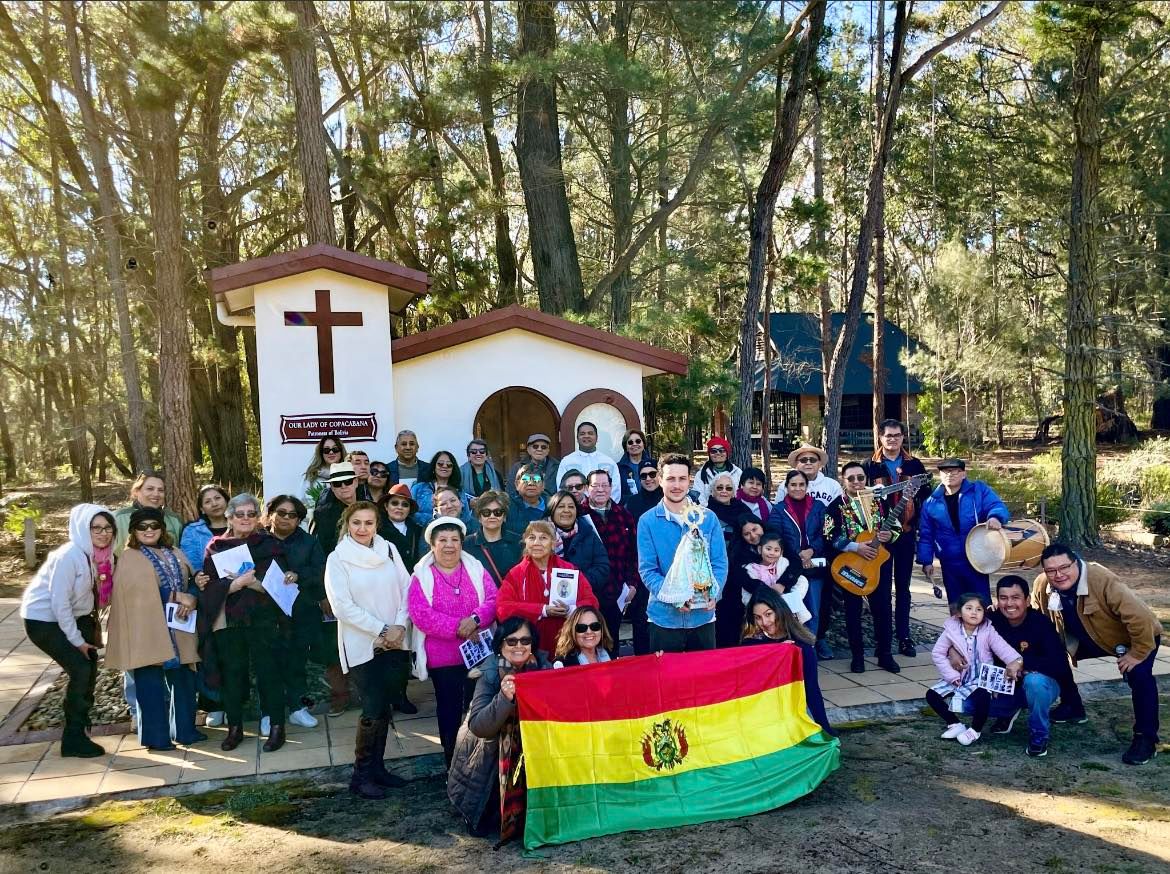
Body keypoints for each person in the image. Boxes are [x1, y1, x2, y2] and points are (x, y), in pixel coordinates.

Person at [1033, 543, 1162, 765]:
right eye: (1051, 570)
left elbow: (1142, 619)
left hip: (1135, 637)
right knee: (1052, 651)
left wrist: (1137, 653)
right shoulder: (1042, 584)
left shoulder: (1101, 579)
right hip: (1089, 640)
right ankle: (1072, 705)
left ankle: (1146, 739)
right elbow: (1037, 619)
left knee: (1140, 676)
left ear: (1076, 562)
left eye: (1064, 567)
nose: (1058, 575)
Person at [325, 501, 412, 798]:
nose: (363, 529)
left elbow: (406, 588)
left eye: (369, 523)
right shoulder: (338, 558)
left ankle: (378, 769)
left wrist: (399, 626)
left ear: (377, 524)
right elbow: (342, 607)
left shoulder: (388, 549)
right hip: (364, 644)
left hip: (396, 640)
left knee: (386, 705)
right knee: (372, 707)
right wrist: (382, 630)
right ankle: (360, 776)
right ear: (347, 524)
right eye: (357, 523)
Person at [106, 507, 204, 751]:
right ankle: (156, 737)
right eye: (142, 526)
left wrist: (191, 597)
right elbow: (136, 590)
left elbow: (194, 579)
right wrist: (175, 596)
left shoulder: (175, 551)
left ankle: (185, 731)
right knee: (149, 682)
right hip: (146, 625)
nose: (149, 530)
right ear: (133, 530)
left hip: (179, 624)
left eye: (154, 526)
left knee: (184, 679)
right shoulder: (130, 556)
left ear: (162, 528)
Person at [20, 504, 114, 757]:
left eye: (108, 528)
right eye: (96, 528)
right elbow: (58, 603)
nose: (104, 533)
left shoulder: (100, 556)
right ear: (83, 529)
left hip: (77, 617)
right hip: (43, 621)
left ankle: (80, 730)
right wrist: (77, 640)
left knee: (90, 668)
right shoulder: (68, 556)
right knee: (80, 667)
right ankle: (72, 738)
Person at [448, 616, 550, 840]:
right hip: (487, 759)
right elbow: (479, 727)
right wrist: (503, 698)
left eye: (525, 640)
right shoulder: (490, 672)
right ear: (500, 645)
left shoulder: (544, 667)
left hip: (529, 750)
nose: (519, 646)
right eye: (511, 641)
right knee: (486, 825)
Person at [407, 516, 498, 767]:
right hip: (442, 658)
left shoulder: (476, 568)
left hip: (478, 653)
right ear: (432, 545)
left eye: (455, 540)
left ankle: (479, 762)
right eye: (443, 540)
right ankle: (453, 762)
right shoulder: (421, 576)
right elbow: (421, 614)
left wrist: (476, 619)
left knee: (477, 708)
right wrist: (460, 627)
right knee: (449, 711)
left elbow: (493, 599)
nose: (449, 545)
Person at [200, 493, 288, 753]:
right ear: (229, 516)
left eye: (251, 514)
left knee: (269, 673)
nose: (246, 519)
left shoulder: (269, 544)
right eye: (240, 514)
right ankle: (235, 728)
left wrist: (254, 583)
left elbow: (281, 583)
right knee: (233, 675)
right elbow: (209, 585)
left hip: (264, 619)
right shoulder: (216, 546)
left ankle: (276, 727)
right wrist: (235, 584)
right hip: (230, 621)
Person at [637, 453, 729, 653]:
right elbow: (648, 570)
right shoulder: (647, 521)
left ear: (690, 481)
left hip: (703, 617)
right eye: (670, 478)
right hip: (664, 620)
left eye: (682, 478)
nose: (676, 485)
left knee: (704, 680)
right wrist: (674, 596)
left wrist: (714, 591)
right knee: (668, 682)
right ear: (660, 480)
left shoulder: (708, 518)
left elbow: (719, 563)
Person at [979, 575, 1078, 758]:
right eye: (1003, 598)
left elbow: (1059, 664)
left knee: (1035, 683)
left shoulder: (1040, 623)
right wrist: (953, 652)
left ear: (1026, 600)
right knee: (967, 703)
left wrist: (1023, 664)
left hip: (1041, 684)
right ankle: (1008, 711)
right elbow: (959, 626)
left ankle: (1039, 735)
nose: (1009, 604)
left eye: (1015, 598)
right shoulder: (991, 619)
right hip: (1005, 684)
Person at [825, 462, 900, 675]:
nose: (857, 482)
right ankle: (857, 656)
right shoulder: (835, 506)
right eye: (851, 478)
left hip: (878, 563)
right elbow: (829, 535)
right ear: (843, 480)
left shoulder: (879, 502)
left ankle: (885, 653)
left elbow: (895, 527)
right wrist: (856, 547)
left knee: (883, 608)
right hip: (851, 564)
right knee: (852, 611)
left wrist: (889, 535)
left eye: (860, 478)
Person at [863, 418, 928, 657]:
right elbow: (859, 497)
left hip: (906, 534)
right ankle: (884, 639)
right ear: (880, 437)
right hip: (879, 537)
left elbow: (925, 497)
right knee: (880, 589)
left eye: (897, 435)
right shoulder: (869, 465)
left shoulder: (915, 465)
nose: (893, 439)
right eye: (888, 435)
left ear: (903, 437)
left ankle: (904, 636)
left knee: (903, 587)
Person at [926, 593, 1023, 747]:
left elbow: (1003, 648)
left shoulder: (988, 631)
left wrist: (1016, 661)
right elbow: (938, 653)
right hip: (958, 676)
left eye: (979, 609)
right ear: (959, 612)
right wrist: (951, 675)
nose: (974, 612)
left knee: (983, 696)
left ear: (984, 614)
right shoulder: (951, 630)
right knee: (932, 695)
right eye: (969, 608)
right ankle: (955, 724)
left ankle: (975, 730)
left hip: (980, 677)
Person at [265, 495, 326, 729]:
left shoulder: (309, 542)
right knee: (268, 664)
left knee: (296, 662)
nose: (286, 518)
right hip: (266, 614)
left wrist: (299, 575)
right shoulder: (258, 540)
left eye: (293, 515)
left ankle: (297, 709)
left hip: (300, 612)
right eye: (281, 513)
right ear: (270, 513)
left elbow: (320, 570)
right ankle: (269, 713)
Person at [740, 587, 834, 736]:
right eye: (757, 617)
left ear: (780, 610)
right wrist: (776, 651)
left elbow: (812, 689)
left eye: (768, 614)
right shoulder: (750, 644)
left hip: (791, 710)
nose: (764, 622)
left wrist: (826, 729)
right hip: (759, 712)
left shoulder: (802, 646)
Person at [916, 458, 1010, 605]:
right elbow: (926, 534)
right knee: (956, 605)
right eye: (945, 471)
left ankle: (985, 628)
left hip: (976, 558)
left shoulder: (978, 490)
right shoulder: (931, 503)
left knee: (981, 603)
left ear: (964, 474)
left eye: (955, 471)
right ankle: (957, 629)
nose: (950, 474)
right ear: (940, 475)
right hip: (949, 562)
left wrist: (995, 517)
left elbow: (995, 505)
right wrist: (926, 561)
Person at [498, 520, 600, 652]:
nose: (537, 543)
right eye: (532, 538)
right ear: (525, 542)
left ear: (553, 543)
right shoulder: (516, 574)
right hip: (529, 649)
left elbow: (592, 602)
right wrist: (542, 610)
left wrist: (571, 609)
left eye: (543, 538)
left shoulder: (569, 570)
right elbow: (503, 608)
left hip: (568, 644)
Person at [773, 469, 832, 657]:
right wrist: (797, 557)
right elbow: (775, 537)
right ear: (787, 487)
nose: (797, 488)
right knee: (793, 611)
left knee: (813, 610)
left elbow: (826, 534)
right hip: (790, 569)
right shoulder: (779, 509)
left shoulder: (819, 507)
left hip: (815, 567)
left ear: (807, 487)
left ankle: (810, 650)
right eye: (793, 485)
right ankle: (792, 652)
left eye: (801, 485)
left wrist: (811, 550)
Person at [582, 470, 637, 656]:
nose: (600, 490)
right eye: (595, 485)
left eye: (604, 485)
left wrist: (632, 584)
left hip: (617, 592)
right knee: (586, 643)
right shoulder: (579, 515)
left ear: (611, 488)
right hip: (588, 592)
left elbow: (634, 553)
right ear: (587, 488)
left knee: (611, 642)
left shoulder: (624, 515)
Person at [113, 473, 184, 554]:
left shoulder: (174, 520)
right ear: (136, 491)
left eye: (160, 490)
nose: (156, 494)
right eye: (150, 489)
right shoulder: (118, 518)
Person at [464, 491, 524, 587]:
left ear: (504, 517)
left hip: (509, 599)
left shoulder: (519, 543)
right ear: (479, 517)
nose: (492, 516)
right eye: (486, 513)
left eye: (498, 512)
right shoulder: (466, 544)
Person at [556, 422, 620, 503]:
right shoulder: (567, 461)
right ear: (577, 438)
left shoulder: (608, 462)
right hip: (576, 510)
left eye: (590, 433)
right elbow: (561, 488)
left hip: (603, 510)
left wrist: (603, 507)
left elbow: (615, 489)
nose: (586, 436)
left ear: (597, 438)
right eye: (582, 434)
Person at [310, 462, 361, 557]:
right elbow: (324, 548)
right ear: (332, 488)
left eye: (348, 481)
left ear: (356, 482)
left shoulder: (371, 507)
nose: (343, 486)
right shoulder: (323, 514)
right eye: (337, 483)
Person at [179, 485, 230, 570]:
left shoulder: (240, 525)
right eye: (207, 502)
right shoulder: (192, 531)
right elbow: (191, 564)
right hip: (207, 580)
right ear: (202, 509)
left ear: (226, 501)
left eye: (217, 498)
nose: (214, 504)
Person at [776, 444, 843, 508]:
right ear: (796, 463)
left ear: (819, 463)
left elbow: (840, 512)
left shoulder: (833, 485)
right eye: (803, 460)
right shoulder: (785, 486)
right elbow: (777, 510)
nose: (808, 463)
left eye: (813, 460)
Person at [377, 483, 425, 571]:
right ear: (386, 506)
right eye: (395, 503)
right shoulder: (377, 530)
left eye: (405, 505)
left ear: (409, 509)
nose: (399, 507)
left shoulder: (418, 530)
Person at [412, 450, 463, 524]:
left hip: (452, 531)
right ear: (434, 467)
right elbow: (409, 512)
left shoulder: (459, 490)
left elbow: (466, 517)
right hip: (421, 532)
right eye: (440, 464)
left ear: (453, 469)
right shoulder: (418, 488)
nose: (445, 466)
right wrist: (435, 520)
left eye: (449, 465)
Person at [506, 434, 559, 501]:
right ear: (528, 449)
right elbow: (511, 492)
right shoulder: (517, 468)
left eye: (543, 447)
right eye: (535, 446)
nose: (539, 449)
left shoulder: (558, 467)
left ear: (548, 450)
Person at [693, 436, 741, 505]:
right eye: (713, 451)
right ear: (709, 454)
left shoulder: (738, 472)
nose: (718, 453)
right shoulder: (701, 475)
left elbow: (741, 495)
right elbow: (699, 497)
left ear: (727, 453)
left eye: (722, 450)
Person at [505, 463, 547, 536]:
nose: (531, 483)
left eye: (536, 480)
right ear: (517, 484)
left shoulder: (552, 506)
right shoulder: (507, 507)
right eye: (525, 479)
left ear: (543, 485)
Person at [616, 429, 656, 503]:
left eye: (638, 441)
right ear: (626, 447)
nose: (634, 444)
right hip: (628, 510)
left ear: (643, 444)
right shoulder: (618, 468)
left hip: (651, 508)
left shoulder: (655, 465)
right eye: (630, 442)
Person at [302, 436, 346, 501]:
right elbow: (303, 501)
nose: (331, 452)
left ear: (341, 451)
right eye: (326, 450)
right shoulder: (311, 475)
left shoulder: (350, 473)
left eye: (335, 449)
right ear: (321, 453)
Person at [704, 472, 742, 542]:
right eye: (719, 488)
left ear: (733, 493)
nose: (724, 491)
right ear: (712, 491)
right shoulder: (706, 514)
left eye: (729, 488)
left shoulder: (742, 509)